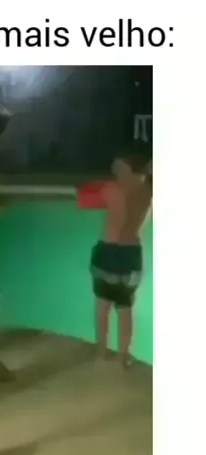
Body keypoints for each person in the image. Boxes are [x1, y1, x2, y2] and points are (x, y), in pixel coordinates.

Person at [90, 146, 152, 369]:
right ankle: (123, 356)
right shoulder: (148, 193)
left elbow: (86, 200)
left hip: (107, 250)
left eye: (117, 165)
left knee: (102, 306)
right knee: (125, 308)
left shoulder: (111, 189)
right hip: (130, 254)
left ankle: (101, 351)